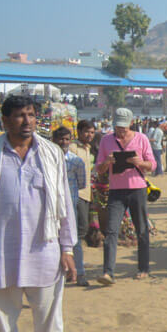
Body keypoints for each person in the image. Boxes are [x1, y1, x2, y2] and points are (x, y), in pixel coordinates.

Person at [0, 96, 76, 332]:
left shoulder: (51, 153)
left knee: (50, 323)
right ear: (5, 120)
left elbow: (64, 204)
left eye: (31, 115)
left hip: (46, 251)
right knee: (3, 324)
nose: (26, 121)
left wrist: (67, 248)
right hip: (1, 253)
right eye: (19, 116)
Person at [94, 108, 155, 285]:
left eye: (123, 127)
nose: (120, 130)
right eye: (117, 127)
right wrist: (107, 162)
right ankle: (108, 272)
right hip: (116, 191)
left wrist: (139, 162)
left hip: (137, 189)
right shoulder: (106, 140)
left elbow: (152, 165)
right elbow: (99, 168)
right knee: (111, 230)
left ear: (131, 123)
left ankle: (143, 268)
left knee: (142, 230)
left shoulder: (141, 139)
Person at [52, 127, 88, 288]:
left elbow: (82, 183)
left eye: (67, 139)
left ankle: (79, 273)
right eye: (61, 139)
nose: (64, 142)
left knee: (74, 240)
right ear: (54, 140)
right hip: (51, 206)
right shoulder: (47, 160)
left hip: (70, 204)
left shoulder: (76, 161)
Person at [70, 121, 96, 285]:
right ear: (79, 132)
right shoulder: (73, 148)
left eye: (92, 132)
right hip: (74, 194)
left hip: (86, 195)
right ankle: (78, 271)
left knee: (81, 230)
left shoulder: (88, 150)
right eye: (87, 132)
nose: (89, 135)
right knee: (77, 233)